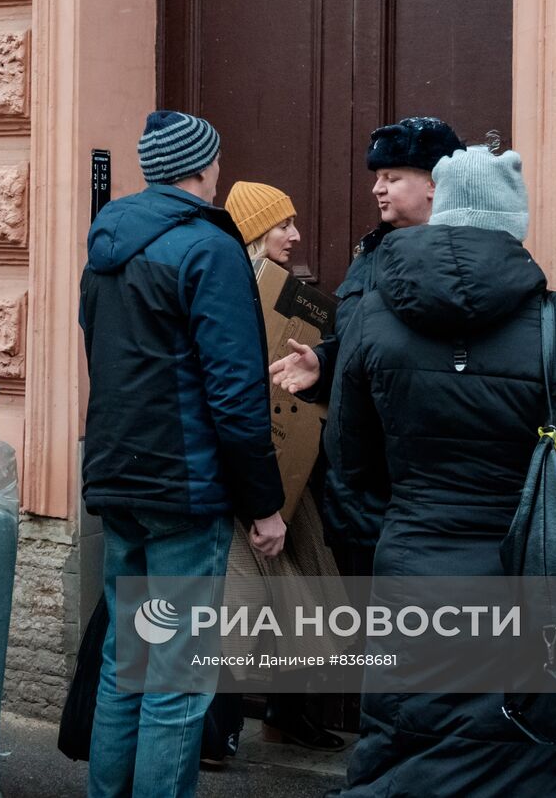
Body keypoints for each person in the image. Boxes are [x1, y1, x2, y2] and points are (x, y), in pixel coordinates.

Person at [325, 146, 556, 796]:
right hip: (544, 590)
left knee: (415, 752)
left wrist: (412, 517)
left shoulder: (371, 318)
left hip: (417, 584)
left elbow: (348, 461)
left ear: (442, 212)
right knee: (539, 762)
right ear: (515, 223)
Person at [80, 110, 287, 798]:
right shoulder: (208, 247)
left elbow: (100, 358)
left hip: (119, 477)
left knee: (125, 660)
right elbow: (236, 394)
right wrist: (263, 504)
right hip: (186, 488)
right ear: (202, 167)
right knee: (176, 674)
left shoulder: (106, 242)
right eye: (217, 161)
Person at [268, 117, 464, 578]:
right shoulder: (372, 255)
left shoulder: (465, 262)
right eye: (378, 178)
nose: (379, 189)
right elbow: (358, 340)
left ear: (435, 184)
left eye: (393, 178)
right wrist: (324, 361)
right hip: (357, 488)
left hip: (423, 487)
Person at [221, 180, 346, 752]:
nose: (295, 236)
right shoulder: (224, 293)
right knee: (240, 606)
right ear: (252, 233)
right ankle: (217, 727)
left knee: (304, 595)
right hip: (242, 478)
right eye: (282, 225)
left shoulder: (293, 296)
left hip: (290, 472)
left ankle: (286, 713)